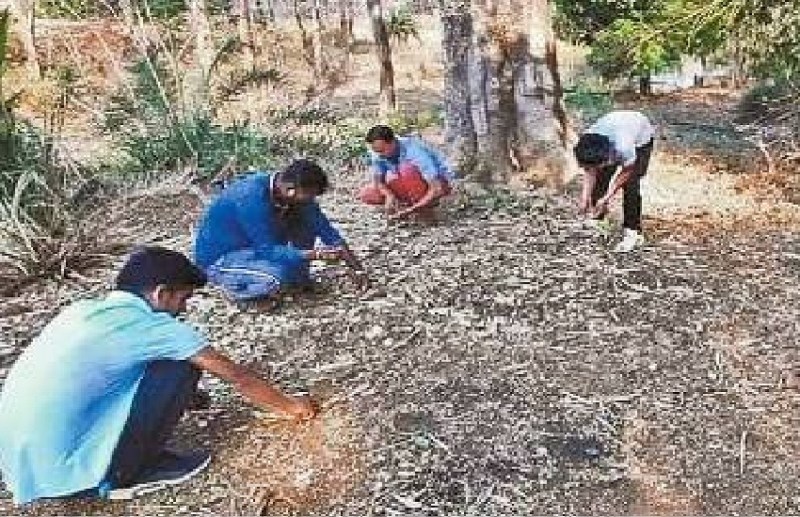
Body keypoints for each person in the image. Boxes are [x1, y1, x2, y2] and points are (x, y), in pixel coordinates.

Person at [0, 247, 317, 505]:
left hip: (24, 467)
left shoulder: (82, 311)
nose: (183, 309)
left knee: (166, 365)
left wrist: (188, 397)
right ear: (161, 293)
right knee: (182, 365)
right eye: (183, 298)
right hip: (72, 477)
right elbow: (236, 376)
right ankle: (131, 471)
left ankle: (108, 460)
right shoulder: (152, 327)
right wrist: (291, 407)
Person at [194, 159, 366, 304]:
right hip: (224, 258)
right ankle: (241, 292)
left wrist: (357, 269)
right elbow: (266, 249)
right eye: (308, 196)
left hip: (257, 251)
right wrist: (314, 254)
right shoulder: (250, 197)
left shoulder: (296, 198)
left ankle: (297, 280)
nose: (310, 200)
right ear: (290, 189)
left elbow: (326, 230)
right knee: (276, 278)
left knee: (306, 223)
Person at [573, 110, 656, 253]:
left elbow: (627, 171)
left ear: (608, 157)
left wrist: (607, 197)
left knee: (631, 185)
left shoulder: (624, 147)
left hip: (640, 138)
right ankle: (598, 218)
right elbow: (590, 171)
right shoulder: (587, 142)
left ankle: (633, 231)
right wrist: (584, 198)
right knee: (601, 178)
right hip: (614, 128)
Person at [358, 125, 455, 220]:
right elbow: (379, 181)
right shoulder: (378, 153)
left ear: (393, 142)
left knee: (407, 170)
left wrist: (411, 210)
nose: (379, 154)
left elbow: (437, 188)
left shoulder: (414, 150)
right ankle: (406, 204)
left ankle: (425, 208)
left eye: (382, 150)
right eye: (376, 151)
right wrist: (389, 195)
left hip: (439, 183)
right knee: (368, 193)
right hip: (408, 184)